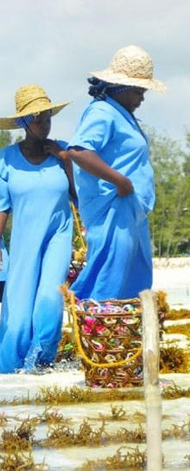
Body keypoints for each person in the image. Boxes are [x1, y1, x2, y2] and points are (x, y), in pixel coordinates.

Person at [67, 45, 165, 301]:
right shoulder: (102, 112)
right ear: (120, 88)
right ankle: (98, 331)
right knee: (110, 273)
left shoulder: (123, 115)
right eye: (138, 90)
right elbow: (79, 151)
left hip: (131, 209)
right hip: (114, 207)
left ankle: (126, 334)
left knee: (134, 276)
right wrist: (120, 181)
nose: (142, 97)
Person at [0, 85, 75, 372]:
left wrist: (66, 160)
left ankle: (40, 364)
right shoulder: (6, 160)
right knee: (17, 314)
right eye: (36, 119)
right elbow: (2, 208)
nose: (44, 124)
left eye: (47, 118)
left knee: (49, 299)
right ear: (22, 123)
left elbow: (79, 197)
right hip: (23, 241)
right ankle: (10, 376)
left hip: (58, 235)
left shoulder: (64, 151)